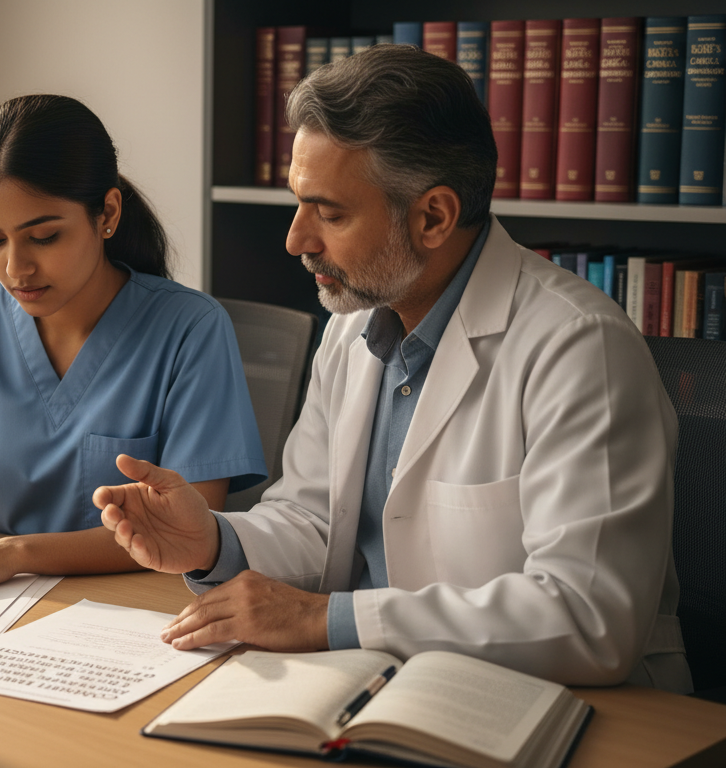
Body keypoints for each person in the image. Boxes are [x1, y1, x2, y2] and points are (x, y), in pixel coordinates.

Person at [96, 46, 692, 691]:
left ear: (433, 216)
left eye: (330, 212)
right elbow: (315, 520)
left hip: (569, 704)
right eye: (299, 205)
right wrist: (214, 543)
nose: (296, 240)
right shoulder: (353, 324)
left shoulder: (579, 347)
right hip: (388, 682)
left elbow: (589, 616)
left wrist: (326, 619)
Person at [0, 94, 267, 601]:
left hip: (127, 609)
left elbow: (187, 529)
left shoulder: (190, 329)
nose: (16, 268)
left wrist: (14, 555)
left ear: (106, 213)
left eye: (43, 237)